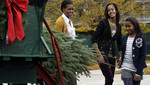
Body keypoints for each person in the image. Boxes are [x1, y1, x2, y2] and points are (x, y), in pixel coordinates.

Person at [91, 3, 122, 85]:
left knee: (110, 79)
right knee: (109, 78)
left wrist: (120, 57)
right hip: (102, 53)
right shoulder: (103, 23)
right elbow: (93, 38)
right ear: (107, 12)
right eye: (109, 10)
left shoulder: (118, 26)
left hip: (113, 55)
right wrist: (99, 54)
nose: (111, 11)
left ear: (116, 10)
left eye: (112, 9)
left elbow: (119, 43)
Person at [55, 0, 76, 85]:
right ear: (63, 9)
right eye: (69, 9)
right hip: (65, 53)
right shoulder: (60, 21)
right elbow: (57, 39)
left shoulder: (70, 21)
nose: (71, 11)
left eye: (72, 9)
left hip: (72, 52)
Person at [120, 17, 147, 85]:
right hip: (126, 68)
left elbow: (143, 56)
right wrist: (122, 71)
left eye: (129, 26)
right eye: (126, 26)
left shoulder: (141, 38)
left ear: (135, 25)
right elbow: (123, 54)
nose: (127, 28)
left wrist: (139, 72)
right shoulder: (124, 38)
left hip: (137, 69)